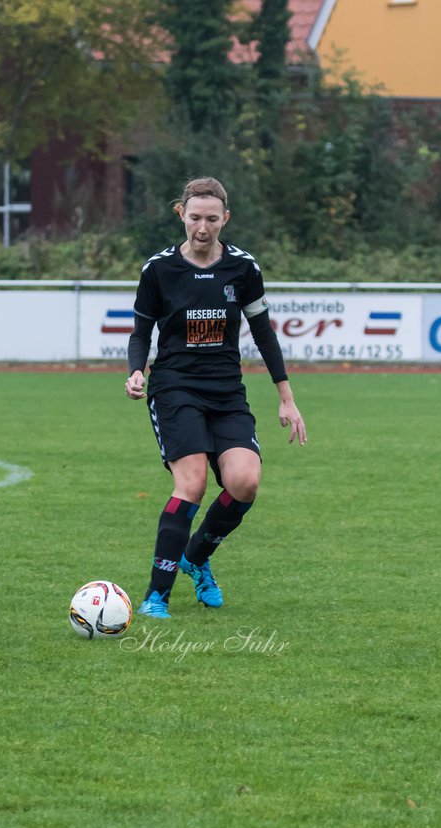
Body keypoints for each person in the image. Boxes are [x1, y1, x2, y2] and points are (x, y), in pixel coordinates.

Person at [124, 177, 307, 619]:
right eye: (194, 218)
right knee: (192, 484)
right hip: (174, 388)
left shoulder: (243, 268)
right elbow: (140, 331)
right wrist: (134, 370)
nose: (202, 228)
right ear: (180, 215)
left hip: (226, 391)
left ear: (224, 218)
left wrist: (286, 397)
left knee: (245, 482)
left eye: (211, 219)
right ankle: (157, 595)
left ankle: (197, 557)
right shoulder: (159, 269)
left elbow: (263, 332)